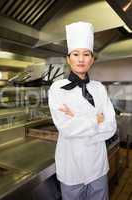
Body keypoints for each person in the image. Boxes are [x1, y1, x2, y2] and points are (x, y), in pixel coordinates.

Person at [48, 21, 117, 200]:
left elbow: (111, 126)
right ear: (68, 58)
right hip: (72, 167)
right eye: (76, 54)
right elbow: (66, 128)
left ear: (92, 59)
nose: (81, 59)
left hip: (98, 166)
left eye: (86, 54)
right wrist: (96, 120)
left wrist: (78, 119)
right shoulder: (57, 88)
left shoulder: (99, 88)